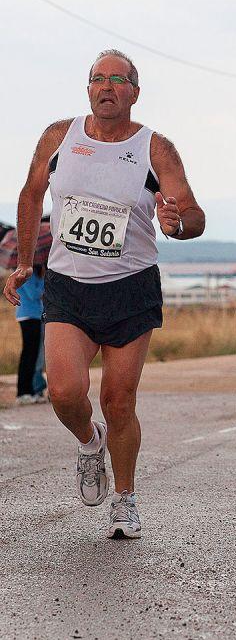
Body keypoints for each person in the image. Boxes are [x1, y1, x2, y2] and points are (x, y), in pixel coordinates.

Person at [3, 49, 205, 538]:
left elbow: (194, 215)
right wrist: (25, 261)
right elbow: (31, 194)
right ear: (88, 88)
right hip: (68, 287)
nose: (106, 87)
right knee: (64, 392)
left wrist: (178, 224)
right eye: (98, 79)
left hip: (130, 288)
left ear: (135, 92)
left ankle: (125, 499)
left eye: (118, 79)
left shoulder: (156, 149)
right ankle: (90, 442)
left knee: (118, 401)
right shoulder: (60, 137)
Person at [15, 264, 47, 405]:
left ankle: (31, 390)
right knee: (28, 354)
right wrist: (44, 282)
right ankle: (23, 392)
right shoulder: (25, 274)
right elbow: (33, 294)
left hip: (36, 316)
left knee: (33, 355)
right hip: (28, 316)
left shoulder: (35, 275)